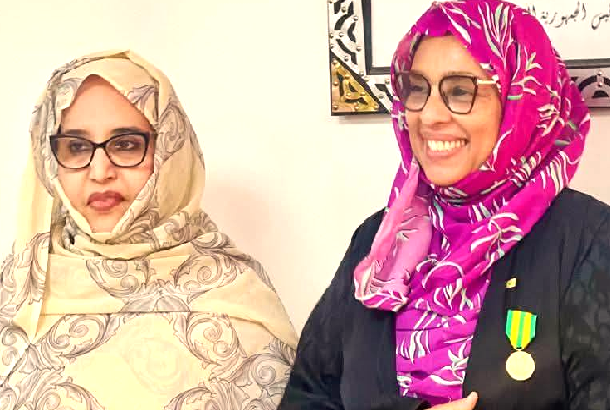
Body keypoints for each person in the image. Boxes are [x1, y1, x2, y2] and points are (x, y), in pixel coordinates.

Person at [279, 1, 610, 409]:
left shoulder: (587, 242)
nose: (429, 115)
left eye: (460, 91)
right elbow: (306, 397)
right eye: (418, 89)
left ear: (519, 103)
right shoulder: (378, 240)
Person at [0, 50, 297, 409]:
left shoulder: (236, 295)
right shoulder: (20, 289)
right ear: (50, 162)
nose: (100, 172)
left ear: (168, 151)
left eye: (126, 145)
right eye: (76, 147)